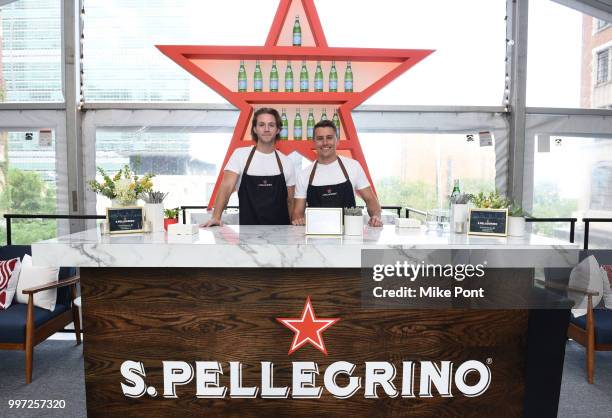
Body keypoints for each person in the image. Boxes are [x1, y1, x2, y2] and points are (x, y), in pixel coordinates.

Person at [203, 107, 295, 226]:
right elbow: (226, 188)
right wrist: (216, 217)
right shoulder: (240, 155)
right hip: (248, 236)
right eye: (261, 125)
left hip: (281, 235)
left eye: (271, 125)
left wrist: (292, 229)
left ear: (278, 130)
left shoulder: (287, 162)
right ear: (255, 129)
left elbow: (290, 201)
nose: (266, 129)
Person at [292, 119, 383, 227]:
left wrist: (376, 216)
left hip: (349, 236)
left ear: (337, 140)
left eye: (329, 138)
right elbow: (297, 212)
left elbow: (370, 199)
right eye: (320, 139)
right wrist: (298, 220)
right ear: (314, 142)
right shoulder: (304, 175)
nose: (325, 142)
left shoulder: (353, 166)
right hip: (316, 238)